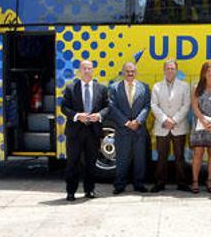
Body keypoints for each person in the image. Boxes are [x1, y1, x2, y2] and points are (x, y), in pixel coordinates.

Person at [60, 59, 109, 202]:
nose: (87, 71)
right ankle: (70, 192)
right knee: (72, 163)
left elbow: (107, 106)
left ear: (93, 70)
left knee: (91, 163)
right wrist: (77, 116)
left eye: (89, 68)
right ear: (79, 71)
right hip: (75, 132)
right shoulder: (70, 88)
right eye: (84, 68)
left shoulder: (101, 88)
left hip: (93, 131)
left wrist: (99, 115)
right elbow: (64, 107)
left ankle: (89, 190)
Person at [109, 61, 151, 194]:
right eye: (127, 71)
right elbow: (112, 107)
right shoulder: (114, 88)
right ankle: (120, 185)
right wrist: (126, 122)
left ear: (136, 72)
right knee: (122, 159)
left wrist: (138, 121)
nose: (130, 74)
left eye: (132, 71)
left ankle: (139, 184)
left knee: (140, 158)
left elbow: (147, 106)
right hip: (123, 129)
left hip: (139, 129)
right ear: (123, 72)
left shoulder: (144, 87)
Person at [150, 59, 191, 193]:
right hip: (162, 127)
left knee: (180, 156)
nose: (170, 71)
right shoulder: (156, 86)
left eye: (172, 68)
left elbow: (186, 105)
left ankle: (182, 183)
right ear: (164, 70)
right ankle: (160, 182)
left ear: (176, 70)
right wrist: (165, 119)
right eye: (168, 68)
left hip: (178, 126)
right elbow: (154, 105)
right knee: (162, 156)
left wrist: (174, 120)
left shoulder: (184, 86)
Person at [190, 62, 211, 193]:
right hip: (200, 124)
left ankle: (209, 181)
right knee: (198, 153)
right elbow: (194, 106)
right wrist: (203, 120)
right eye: (208, 71)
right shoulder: (196, 87)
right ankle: (195, 182)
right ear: (203, 73)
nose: (210, 73)